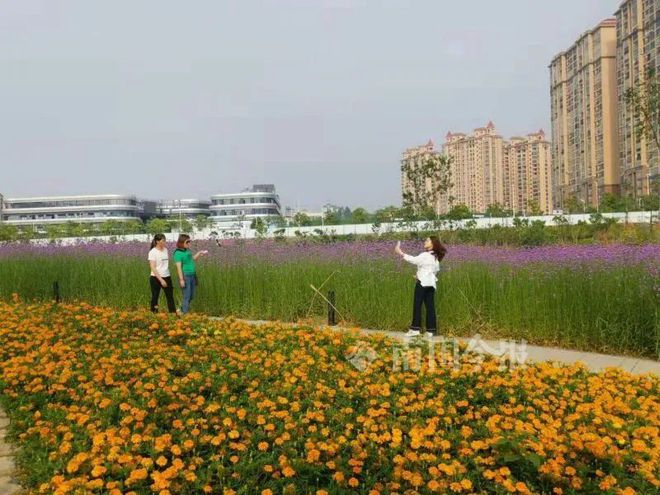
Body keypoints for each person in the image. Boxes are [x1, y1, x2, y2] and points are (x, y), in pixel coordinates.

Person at [395, 236, 447, 337]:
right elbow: (435, 271)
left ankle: (415, 329)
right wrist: (419, 274)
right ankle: (431, 331)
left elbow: (414, 260)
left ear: (433, 244)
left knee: (417, 305)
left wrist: (400, 252)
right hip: (431, 284)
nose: (425, 241)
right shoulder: (435, 257)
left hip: (422, 283)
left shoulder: (425, 255)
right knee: (430, 306)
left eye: (428, 240)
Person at [173, 234, 208, 314]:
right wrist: (181, 280)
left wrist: (199, 253)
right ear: (182, 242)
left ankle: (181, 310)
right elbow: (178, 267)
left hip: (192, 275)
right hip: (186, 276)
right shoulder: (178, 253)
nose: (189, 243)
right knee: (187, 295)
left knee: (191, 295)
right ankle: (184, 314)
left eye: (189, 241)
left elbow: (192, 259)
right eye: (187, 242)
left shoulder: (187, 250)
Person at [147, 233, 177, 313]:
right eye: (163, 241)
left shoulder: (166, 250)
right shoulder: (152, 252)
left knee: (170, 296)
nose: (165, 242)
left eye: (165, 241)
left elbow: (165, 264)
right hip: (155, 278)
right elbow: (153, 267)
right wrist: (161, 280)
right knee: (155, 297)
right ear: (157, 241)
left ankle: (173, 314)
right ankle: (154, 314)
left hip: (167, 276)